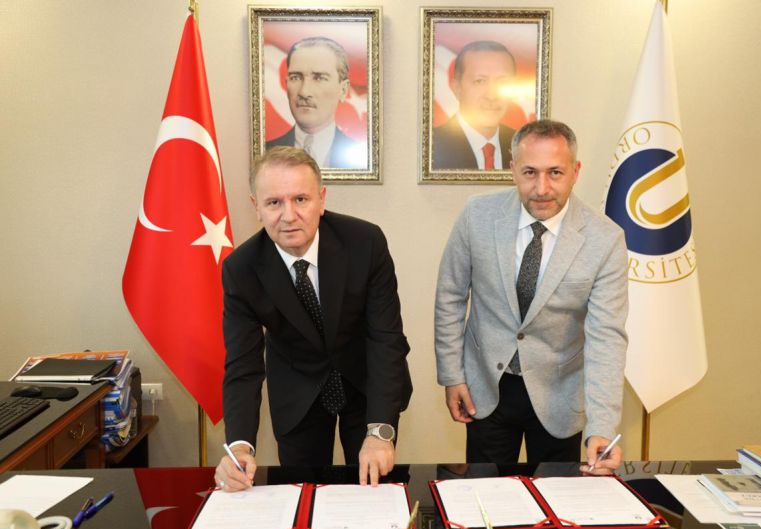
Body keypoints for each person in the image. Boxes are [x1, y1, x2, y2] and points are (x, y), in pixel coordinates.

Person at [434, 120, 628, 473]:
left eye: (555, 172)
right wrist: (453, 376)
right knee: (486, 494)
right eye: (529, 172)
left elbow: (606, 338)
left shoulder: (605, 239)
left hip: (560, 396)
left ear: (575, 172)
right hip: (485, 389)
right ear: (512, 170)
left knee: (556, 497)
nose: (542, 188)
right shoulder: (477, 216)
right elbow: (450, 298)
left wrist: (601, 426)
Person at [215, 146, 411, 490]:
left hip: (366, 383)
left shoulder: (365, 243)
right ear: (256, 207)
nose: (288, 216)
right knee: (302, 494)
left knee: (374, 488)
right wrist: (239, 447)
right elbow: (243, 365)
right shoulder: (241, 269)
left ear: (321, 199)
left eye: (300, 199)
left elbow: (386, 339)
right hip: (297, 390)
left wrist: (380, 431)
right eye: (274, 202)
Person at [266, 37, 365, 169]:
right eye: (295, 77)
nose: (304, 92)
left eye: (319, 78)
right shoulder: (267, 155)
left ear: (343, 90)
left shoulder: (362, 161)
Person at [432, 40, 517, 170]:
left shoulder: (522, 145)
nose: (492, 96)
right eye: (480, 81)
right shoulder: (432, 146)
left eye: (503, 82)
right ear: (456, 88)